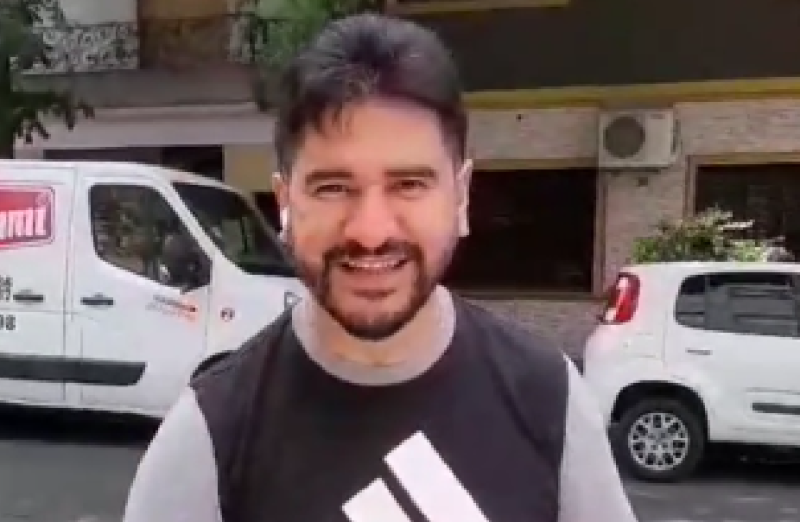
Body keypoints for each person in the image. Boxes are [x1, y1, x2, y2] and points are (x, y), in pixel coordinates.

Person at [122, 13, 637, 522]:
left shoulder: (550, 399)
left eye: (409, 185)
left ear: (460, 197)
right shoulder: (208, 437)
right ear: (285, 204)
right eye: (333, 188)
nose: (370, 232)